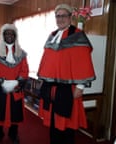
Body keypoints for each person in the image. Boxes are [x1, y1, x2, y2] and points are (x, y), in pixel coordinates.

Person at [37, 4, 96, 144]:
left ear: (70, 17)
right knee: (53, 122)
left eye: (64, 15)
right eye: (58, 16)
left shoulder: (77, 35)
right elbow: (46, 60)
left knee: (66, 124)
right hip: (51, 88)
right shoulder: (52, 35)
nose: (60, 19)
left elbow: (83, 61)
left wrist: (80, 86)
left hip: (68, 89)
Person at [0, 23, 29, 144]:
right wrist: (3, 83)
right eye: (7, 33)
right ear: (3, 36)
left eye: (12, 33)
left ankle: (13, 134)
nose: (9, 36)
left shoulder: (22, 54)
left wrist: (17, 82)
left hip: (16, 88)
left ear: (15, 36)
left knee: (15, 114)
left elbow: (24, 69)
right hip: (0, 89)